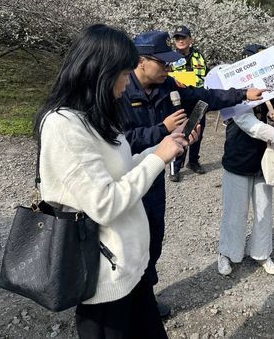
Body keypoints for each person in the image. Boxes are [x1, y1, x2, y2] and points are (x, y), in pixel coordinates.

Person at [34, 24, 195, 338]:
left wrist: (163, 147)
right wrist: (158, 158)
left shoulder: (97, 115)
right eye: (123, 73)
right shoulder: (64, 125)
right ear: (100, 72)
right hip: (103, 279)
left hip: (129, 269)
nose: (127, 81)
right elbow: (104, 204)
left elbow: (124, 170)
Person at [122, 30, 267, 317]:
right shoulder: (118, 91)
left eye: (170, 63)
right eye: (162, 63)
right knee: (127, 240)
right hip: (125, 179)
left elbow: (203, 96)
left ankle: (145, 297)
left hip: (153, 178)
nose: (169, 68)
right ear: (141, 61)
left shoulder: (167, 88)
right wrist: (162, 130)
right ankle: (122, 302)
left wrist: (242, 94)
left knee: (153, 235)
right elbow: (118, 141)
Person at [218, 44, 274, 277]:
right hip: (239, 154)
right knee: (235, 210)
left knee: (264, 208)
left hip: (266, 156)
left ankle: (262, 252)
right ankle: (228, 253)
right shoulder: (234, 89)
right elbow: (247, 124)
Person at [170, 25, 208, 177]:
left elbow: (205, 75)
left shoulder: (199, 56)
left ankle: (193, 161)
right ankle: (176, 167)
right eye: (177, 38)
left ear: (190, 40)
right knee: (180, 133)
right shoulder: (170, 57)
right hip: (179, 101)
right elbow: (165, 76)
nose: (180, 40)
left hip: (198, 99)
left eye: (183, 37)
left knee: (198, 131)